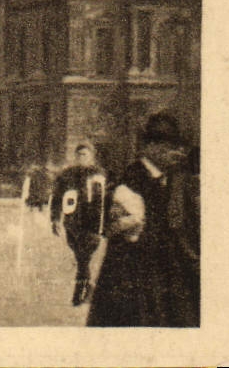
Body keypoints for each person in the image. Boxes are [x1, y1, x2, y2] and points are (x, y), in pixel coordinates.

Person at [88, 113, 200, 327]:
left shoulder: (163, 178)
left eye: (178, 148)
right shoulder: (133, 178)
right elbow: (130, 231)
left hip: (155, 270)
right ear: (151, 147)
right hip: (133, 275)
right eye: (170, 148)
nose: (177, 154)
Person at [51, 142, 108, 306]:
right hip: (73, 221)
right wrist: (55, 219)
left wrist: (105, 223)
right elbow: (57, 197)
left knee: (84, 255)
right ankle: (87, 285)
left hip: (93, 222)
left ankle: (79, 289)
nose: (82, 158)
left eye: (85, 154)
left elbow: (105, 199)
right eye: (79, 154)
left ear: (92, 156)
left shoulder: (99, 174)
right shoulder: (67, 175)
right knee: (80, 254)